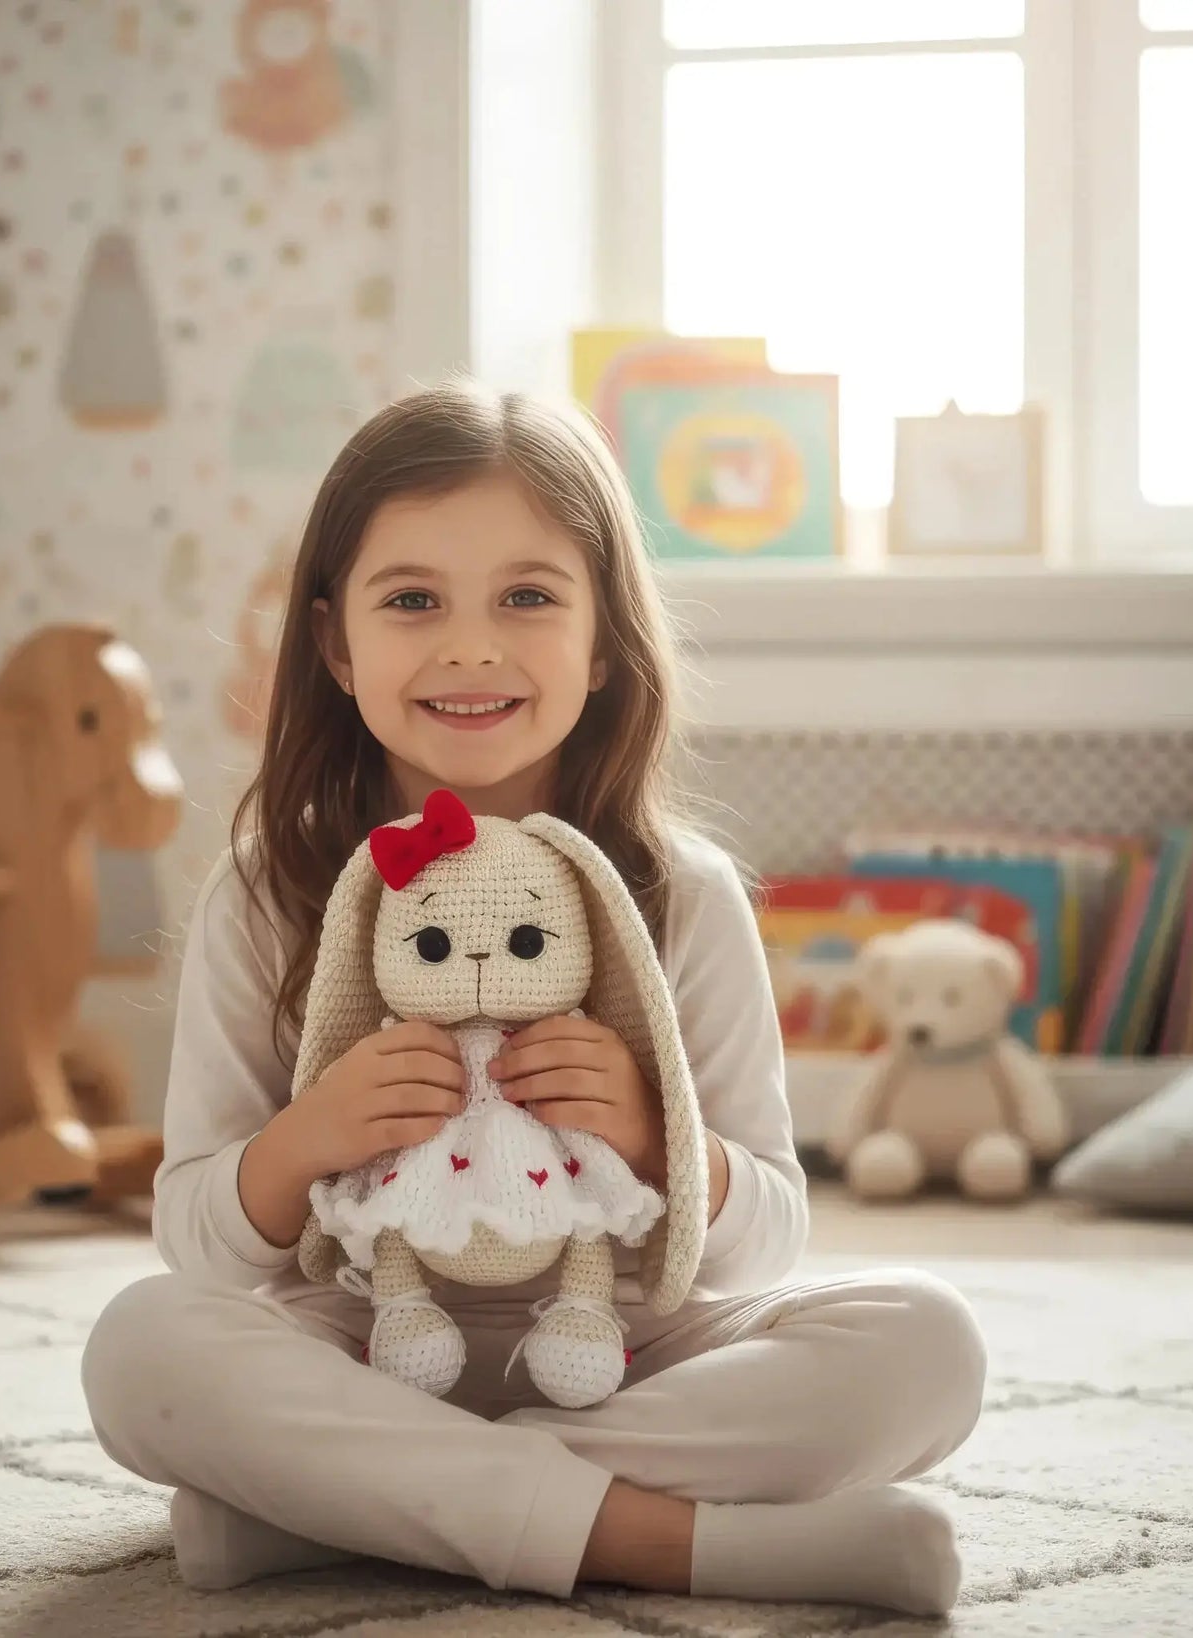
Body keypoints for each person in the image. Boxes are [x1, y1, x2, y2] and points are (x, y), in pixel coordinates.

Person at [82, 381, 986, 1615]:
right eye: (411, 601)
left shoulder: (684, 894)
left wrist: (656, 1140)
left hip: (625, 1353)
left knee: (925, 1344)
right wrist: (306, 1140)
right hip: (357, 1337)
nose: (470, 646)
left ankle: (353, 1514)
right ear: (337, 645)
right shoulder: (269, 890)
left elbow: (769, 1232)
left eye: (527, 597)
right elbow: (193, 1238)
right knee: (142, 1351)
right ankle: (662, 1543)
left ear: (603, 636)